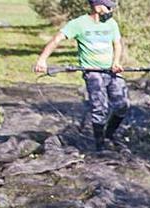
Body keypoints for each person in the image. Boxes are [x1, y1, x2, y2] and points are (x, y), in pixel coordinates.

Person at [33, 0, 128, 152]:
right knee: (100, 108)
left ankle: (110, 133)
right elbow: (56, 39)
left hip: (112, 71)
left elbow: (117, 44)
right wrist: (42, 60)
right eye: (108, 7)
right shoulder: (78, 24)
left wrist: (116, 62)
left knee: (122, 106)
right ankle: (100, 145)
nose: (111, 10)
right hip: (93, 72)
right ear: (97, 6)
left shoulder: (111, 24)